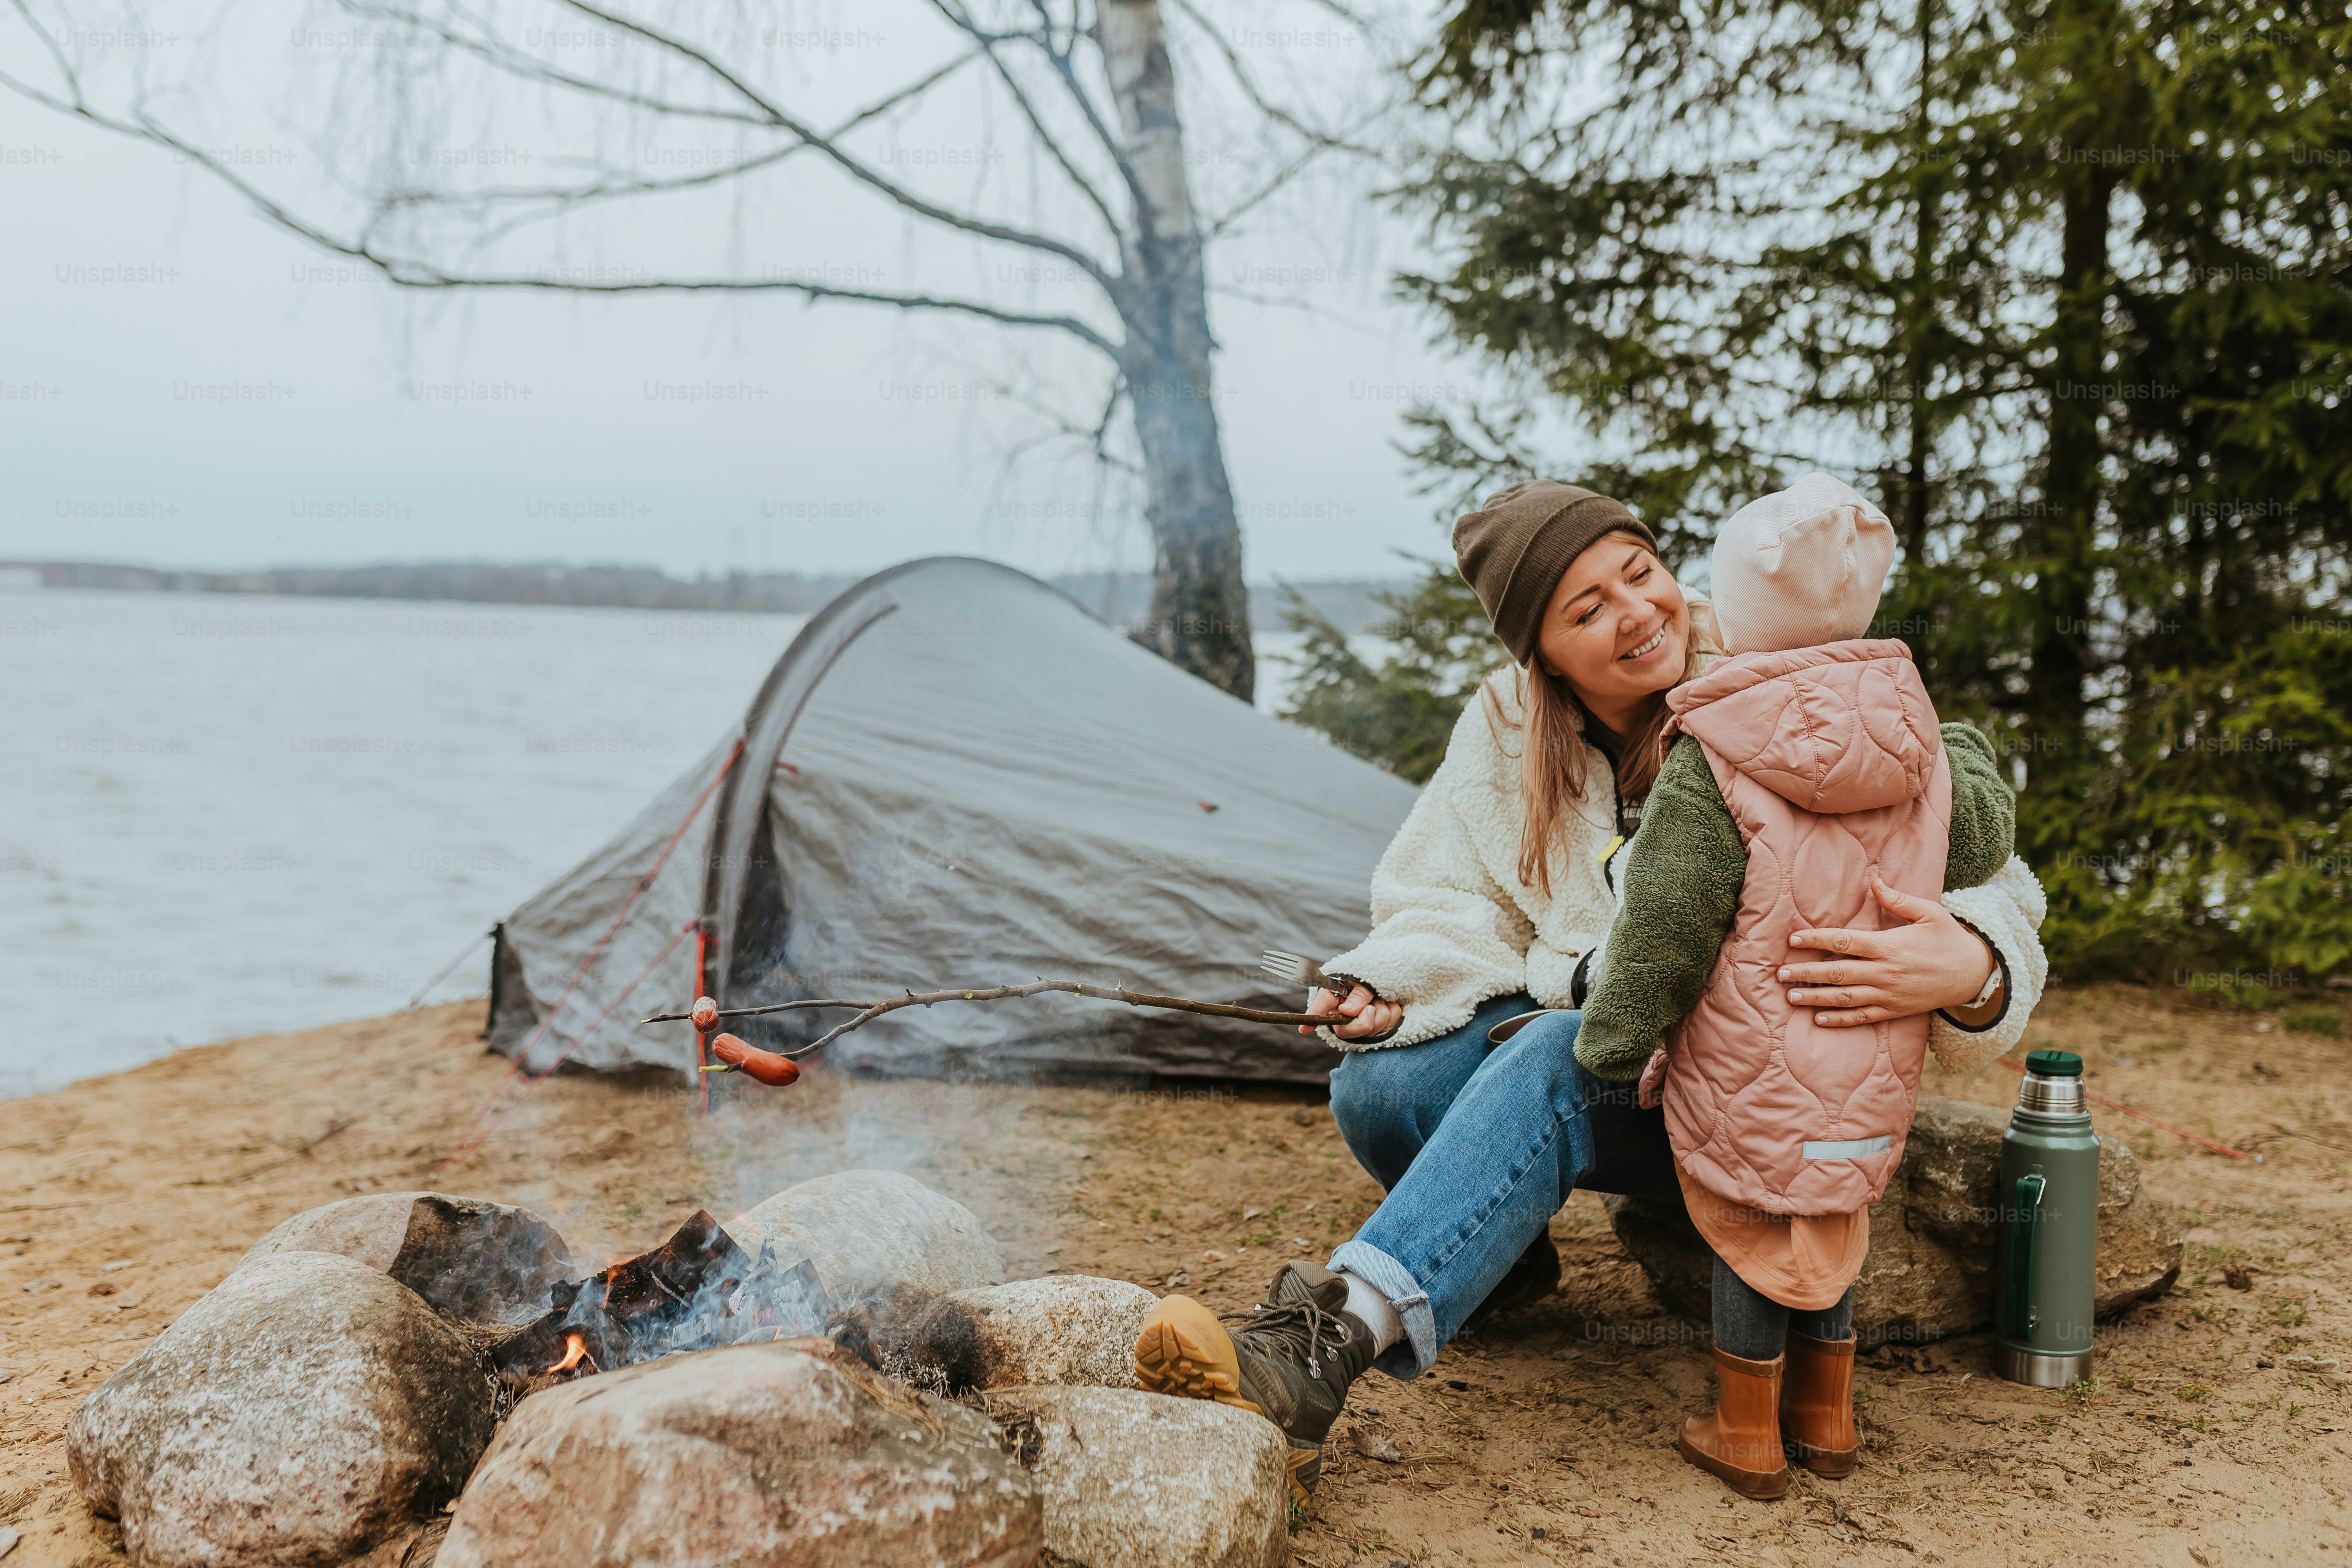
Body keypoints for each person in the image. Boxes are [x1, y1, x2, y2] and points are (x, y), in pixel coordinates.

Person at [1132, 478, 2048, 1493]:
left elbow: (1983, 864)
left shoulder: (1773, 662)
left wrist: (1973, 962)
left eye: (1640, 573)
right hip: (1635, 1063)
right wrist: (1388, 982)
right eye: (1585, 607)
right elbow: (1447, 901)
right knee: (1378, 1088)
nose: (1636, 611)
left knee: (1556, 1054)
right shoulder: (1501, 727)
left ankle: (1327, 1340)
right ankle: (1493, 1256)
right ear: (1541, 653)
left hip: (1777, 1097)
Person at [1569, 474, 2011, 1498]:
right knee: (1827, 1220)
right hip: (1871, 1057)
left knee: (1754, 1220)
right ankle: (1828, 1418)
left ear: (1736, 609)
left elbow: (1666, 923)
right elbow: (1981, 838)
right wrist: (1970, 754)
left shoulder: (1714, 746)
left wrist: (1613, 1039)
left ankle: (1746, 1431)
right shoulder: (1913, 734)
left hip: (1749, 1053)